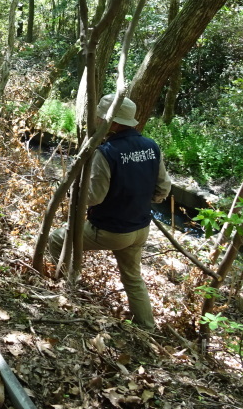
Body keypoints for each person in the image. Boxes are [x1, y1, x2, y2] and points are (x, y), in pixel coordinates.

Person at [50, 94, 171, 329]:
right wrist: (143, 199)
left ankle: (66, 289)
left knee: (56, 239)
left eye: (100, 116)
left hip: (109, 231)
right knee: (133, 279)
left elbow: (95, 197)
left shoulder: (106, 151)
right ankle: (147, 327)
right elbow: (163, 188)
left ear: (112, 122)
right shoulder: (151, 146)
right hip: (140, 229)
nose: (96, 119)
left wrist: (70, 193)